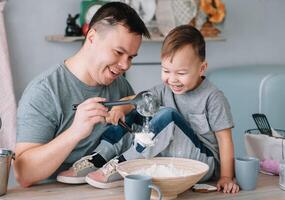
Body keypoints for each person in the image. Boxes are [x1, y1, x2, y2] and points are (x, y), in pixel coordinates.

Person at [58, 25, 240, 193]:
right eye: (166, 71)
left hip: (202, 162)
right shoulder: (165, 89)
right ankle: (99, 157)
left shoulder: (213, 97)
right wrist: (123, 107)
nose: (173, 79)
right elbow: (137, 99)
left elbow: (225, 141)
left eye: (181, 73)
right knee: (139, 108)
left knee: (168, 115)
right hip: (172, 157)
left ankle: (126, 165)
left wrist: (226, 177)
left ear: (202, 69)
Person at [14, 2, 150, 187]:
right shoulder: (44, 91)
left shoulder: (121, 87)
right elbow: (23, 174)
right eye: (119, 52)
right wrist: (75, 132)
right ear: (92, 37)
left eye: (131, 57)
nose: (125, 65)